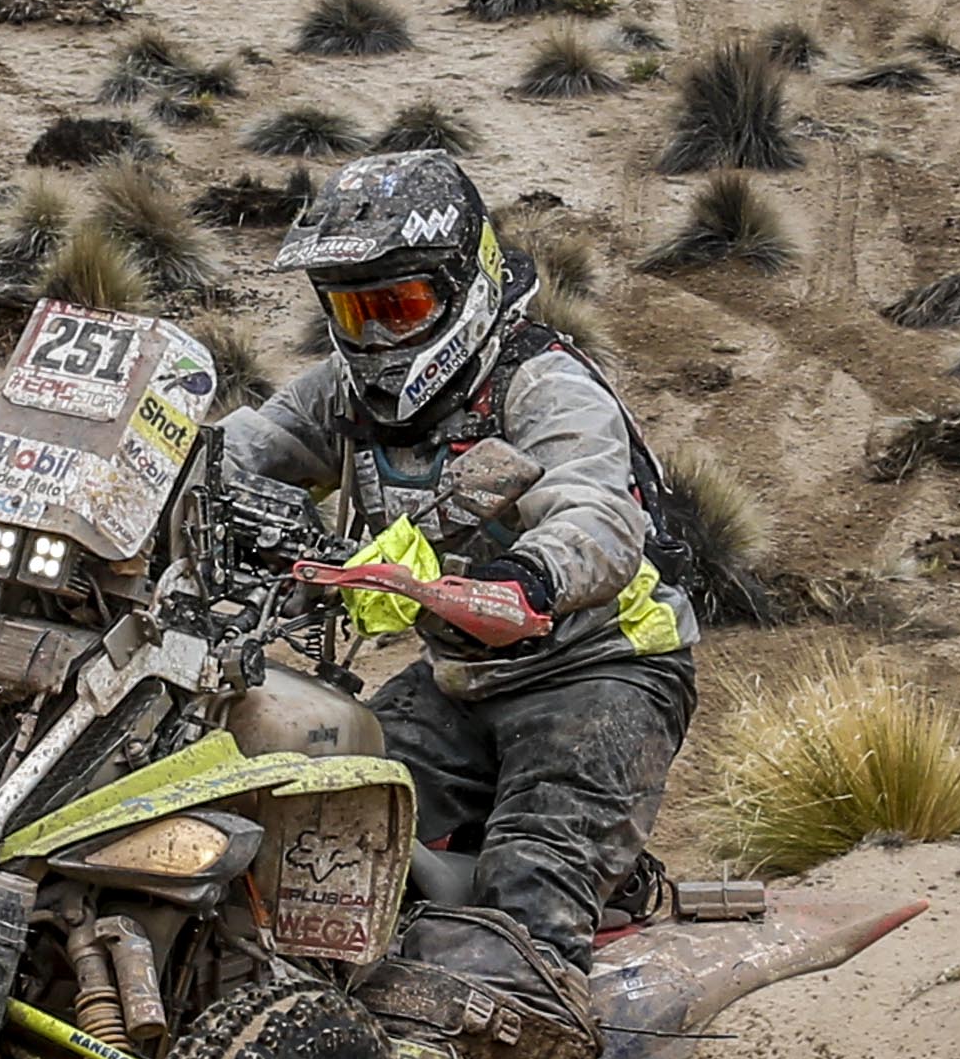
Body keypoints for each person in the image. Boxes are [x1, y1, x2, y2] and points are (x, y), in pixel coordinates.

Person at [218, 150, 698, 990]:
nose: (373, 337)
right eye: (352, 311)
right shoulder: (340, 394)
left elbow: (597, 509)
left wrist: (531, 577)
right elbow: (239, 453)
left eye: (396, 307)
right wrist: (137, 481)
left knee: (529, 882)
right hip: (457, 676)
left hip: (599, 671)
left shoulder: (543, 385)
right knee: (313, 825)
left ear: (462, 284)